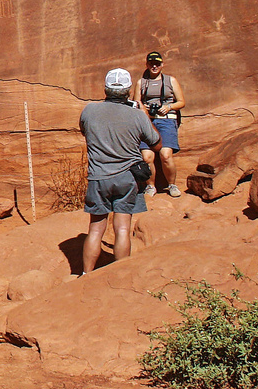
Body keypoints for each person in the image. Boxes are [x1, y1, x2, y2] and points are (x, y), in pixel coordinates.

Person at [79, 68, 160, 275]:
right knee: (122, 228)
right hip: (127, 177)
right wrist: (144, 116)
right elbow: (157, 144)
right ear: (128, 90)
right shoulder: (136, 115)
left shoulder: (89, 111)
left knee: (96, 229)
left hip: (98, 177)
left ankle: (86, 274)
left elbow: (84, 131)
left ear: (106, 89)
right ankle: (120, 274)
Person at [136, 51, 187, 198]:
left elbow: (181, 102)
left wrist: (169, 107)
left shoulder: (171, 81)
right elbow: (136, 103)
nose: (154, 66)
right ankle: (150, 187)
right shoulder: (141, 82)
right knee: (147, 157)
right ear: (147, 64)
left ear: (162, 64)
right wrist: (144, 110)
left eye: (157, 63)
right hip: (148, 121)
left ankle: (172, 185)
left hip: (167, 120)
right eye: (151, 63)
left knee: (165, 154)